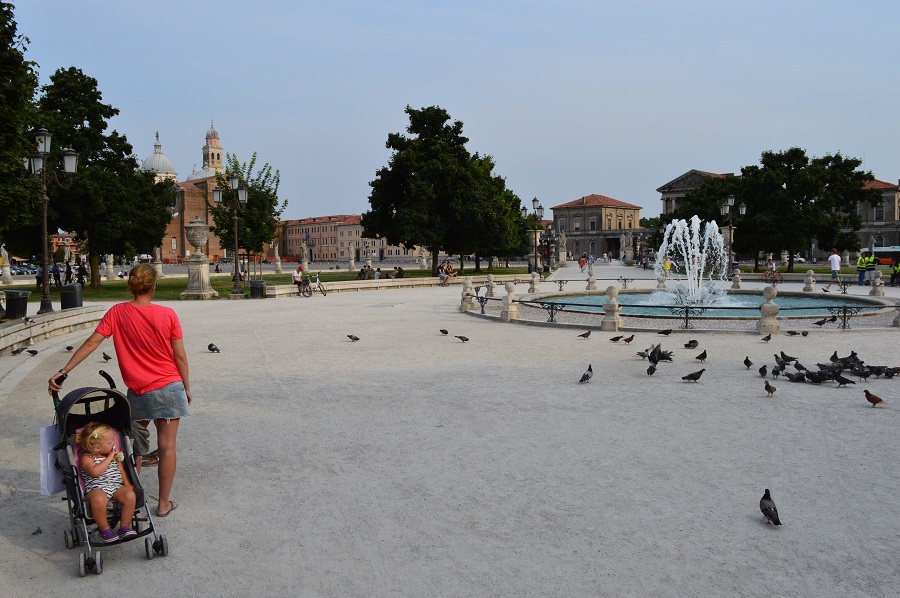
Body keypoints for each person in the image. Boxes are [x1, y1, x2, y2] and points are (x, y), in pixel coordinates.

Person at [49, 264, 191, 518]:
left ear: (131, 285)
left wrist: (64, 371)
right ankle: (163, 503)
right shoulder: (167, 314)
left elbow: (93, 342)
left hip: (138, 392)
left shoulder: (117, 312)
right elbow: (179, 356)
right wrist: (186, 386)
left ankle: (132, 495)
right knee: (167, 447)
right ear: (154, 285)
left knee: (133, 443)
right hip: (170, 386)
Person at [76, 422, 137, 543]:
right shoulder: (86, 458)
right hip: (96, 488)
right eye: (110, 443)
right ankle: (105, 530)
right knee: (98, 499)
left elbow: (121, 469)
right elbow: (95, 472)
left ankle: (124, 526)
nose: (113, 444)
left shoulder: (113, 456)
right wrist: (109, 458)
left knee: (130, 495)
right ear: (97, 447)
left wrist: (127, 484)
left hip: (116, 486)